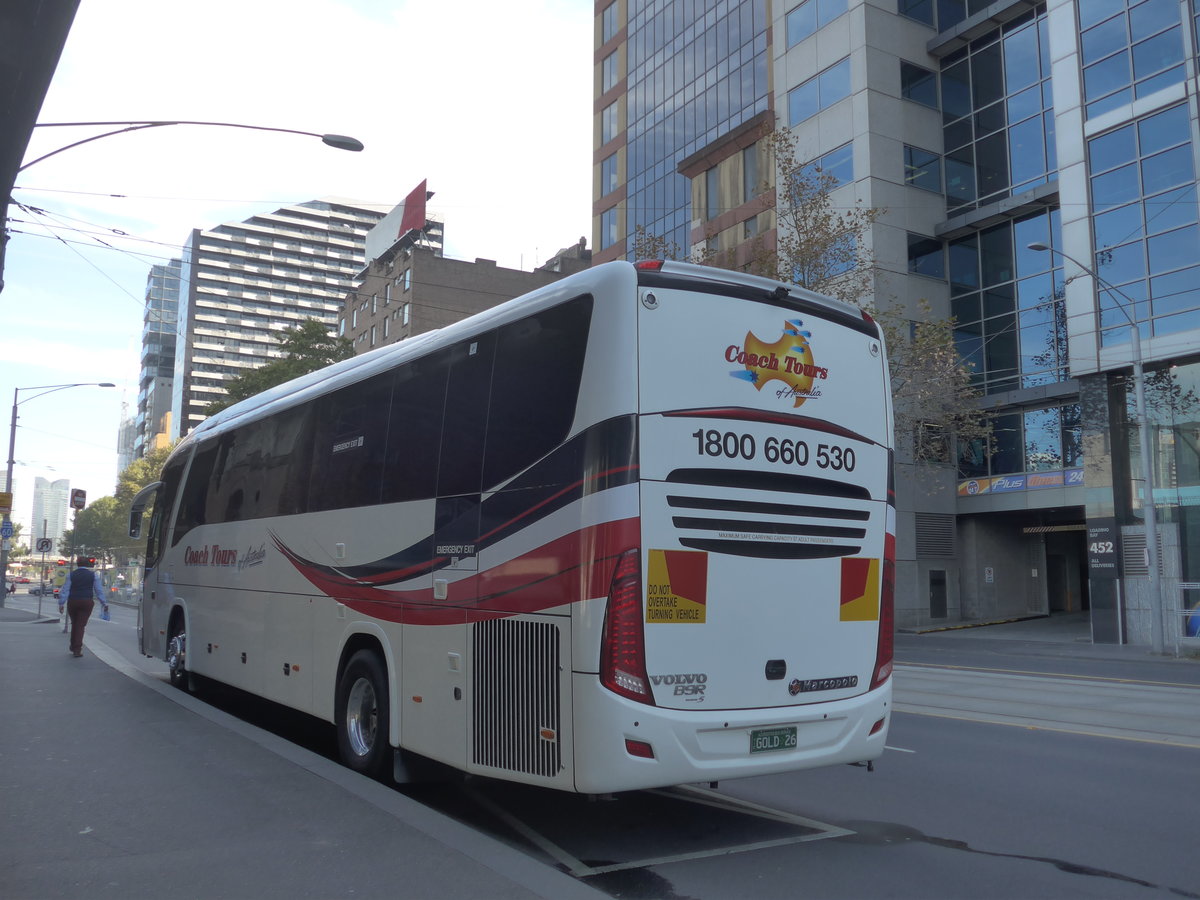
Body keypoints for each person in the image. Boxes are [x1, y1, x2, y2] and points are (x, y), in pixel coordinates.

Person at [60, 557, 107, 658]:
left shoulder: (71, 575)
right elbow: (98, 590)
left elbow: (65, 590)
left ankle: (73, 646)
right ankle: (77, 648)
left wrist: (61, 603)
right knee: (80, 625)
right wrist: (104, 603)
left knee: (74, 623)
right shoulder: (93, 575)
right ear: (88, 565)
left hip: (73, 601)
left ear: (77, 564)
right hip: (87, 602)